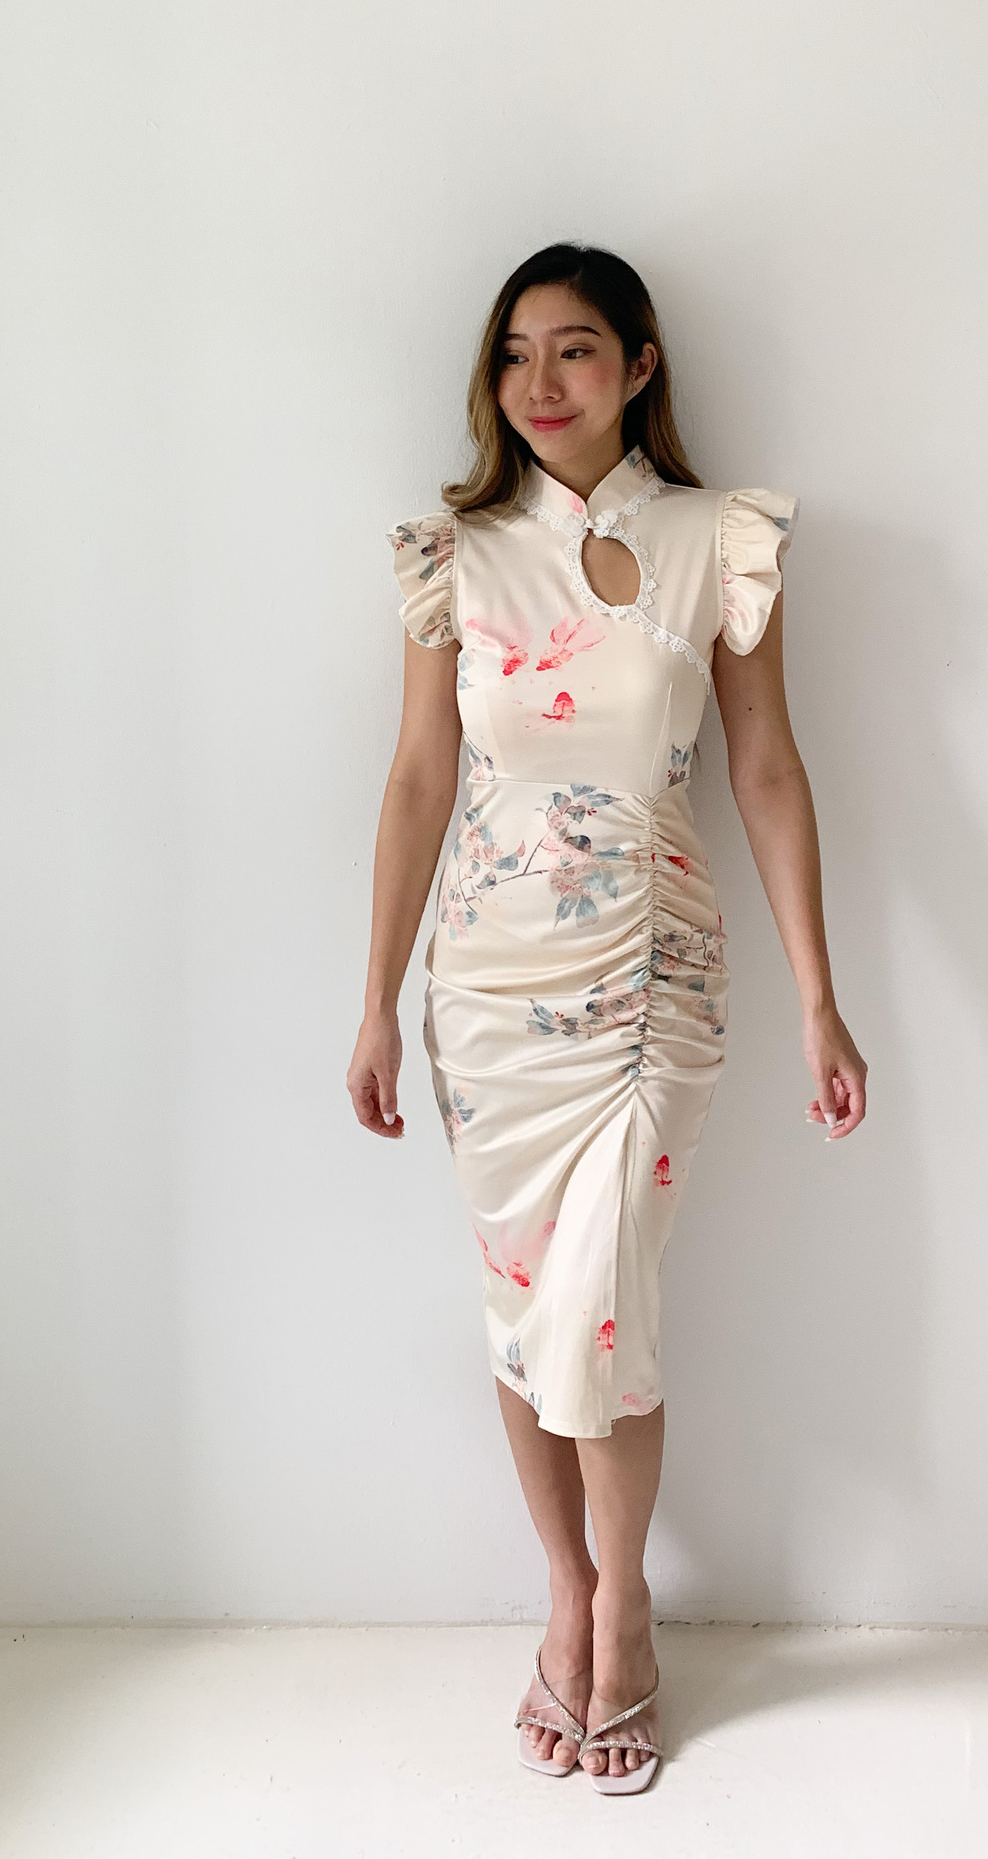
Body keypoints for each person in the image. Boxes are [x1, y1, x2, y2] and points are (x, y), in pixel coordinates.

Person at [348, 244, 868, 1793]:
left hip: (656, 979)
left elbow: (765, 768)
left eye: (575, 349)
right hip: (484, 990)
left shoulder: (721, 542)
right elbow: (418, 781)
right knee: (526, 1307)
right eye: (516, 355)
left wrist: (823, 999)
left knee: (603, 1300)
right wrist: (373, 1003)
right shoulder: (454, 554)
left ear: (640, 366)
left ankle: (625, 1607)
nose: (541, 383)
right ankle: (568, 1593)